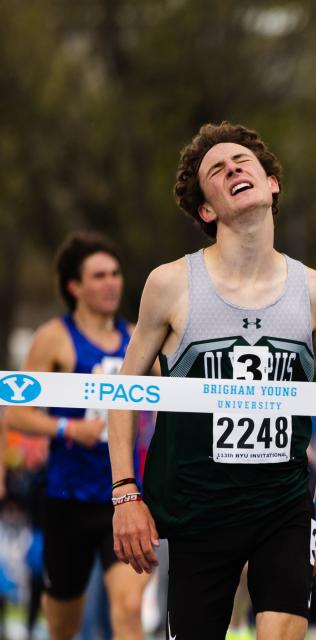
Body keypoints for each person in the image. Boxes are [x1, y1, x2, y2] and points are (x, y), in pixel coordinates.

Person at [107, 122, 316, 640]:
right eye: (216, 170)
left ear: (272, 182)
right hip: (199, 511)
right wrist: (125, 494)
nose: (234, 169)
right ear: (207, 210)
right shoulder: (171, 284)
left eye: (243, 161)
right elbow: (120, 396)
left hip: (282, 506)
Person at [5, 232, 149, 640]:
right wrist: (70, 428)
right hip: (67, 500)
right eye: (99, 275)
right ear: (75, 286)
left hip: (124, 499)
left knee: (130, 607)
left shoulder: (138, 338)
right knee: (63, 627)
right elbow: (15, 414)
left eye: (116, 274)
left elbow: (179, 392)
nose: (111, 283)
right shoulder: (55, 337)